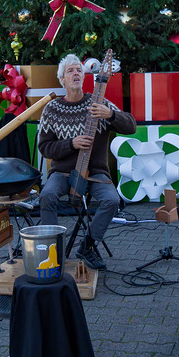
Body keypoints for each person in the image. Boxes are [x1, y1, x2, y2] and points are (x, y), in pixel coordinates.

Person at [38, 54, 136, 270]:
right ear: (62, 79)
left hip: (95, 173)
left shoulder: (99, 104)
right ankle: (52, 251)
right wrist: (71, 143)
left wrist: (110, 115)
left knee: (112, 200)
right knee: (47, 196)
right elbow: (45, 148)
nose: (76, 73)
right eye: (71, 70)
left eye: (79, 70)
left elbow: (131, 126)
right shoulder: (52, 109)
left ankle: (88, 245)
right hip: (62, 173)